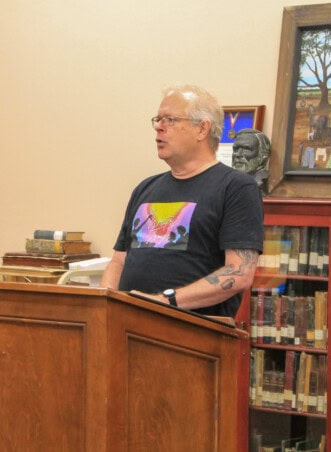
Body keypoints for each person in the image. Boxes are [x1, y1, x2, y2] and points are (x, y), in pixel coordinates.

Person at [101, 85, 264, 318]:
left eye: (170, 119)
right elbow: (118, 262)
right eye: (157, 119)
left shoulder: (236, 188)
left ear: (202, 129)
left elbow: (239, 274)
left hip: (190, 337)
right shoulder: (145, 189)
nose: (158, 126)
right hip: (128, 327)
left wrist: (164, 301)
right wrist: (106, 305)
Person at [231, 128, 270, 196]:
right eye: (236, 149)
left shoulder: (259, 184)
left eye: (246, 149)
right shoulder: (229, 182)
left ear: (263, 156)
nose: (238, 154)